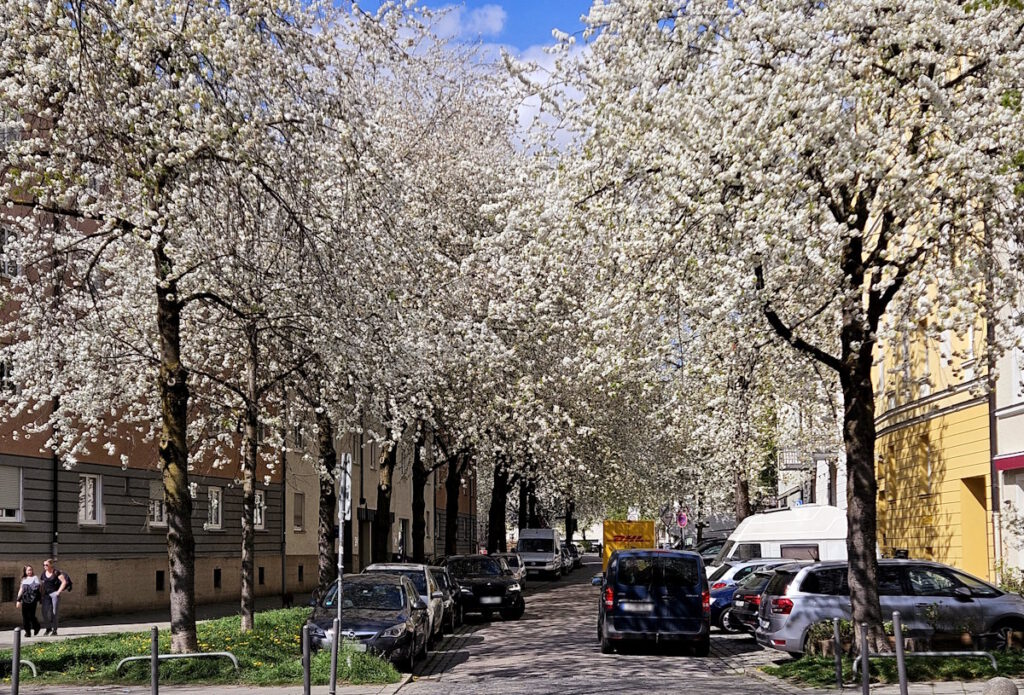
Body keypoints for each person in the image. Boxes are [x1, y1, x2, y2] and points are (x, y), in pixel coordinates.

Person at [39, 558, 68, 636]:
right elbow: (42, 584)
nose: (45, 566)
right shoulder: (43, 573)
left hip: (54, 594)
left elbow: (64, 582)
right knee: (44, 612)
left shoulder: (56, 572)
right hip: (46, 595)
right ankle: (48, 628)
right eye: (44, 565)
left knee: (54, 612)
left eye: (46, 565)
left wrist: (58, 592)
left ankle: (54, 630)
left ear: (51, 565)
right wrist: (41, 594)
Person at [15, 565, 41, 637]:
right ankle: (27, 632)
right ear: (25, 571)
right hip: (25, 599)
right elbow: (21, 590)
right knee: (25, 616)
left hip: (33, 599)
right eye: (28, 570)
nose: (30, 571)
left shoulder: (35, 578)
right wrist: (18, 600)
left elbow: (37, 587)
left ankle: (37, 626)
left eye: (31, 570)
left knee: (31, 616)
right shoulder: (23, 579)